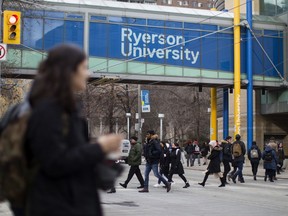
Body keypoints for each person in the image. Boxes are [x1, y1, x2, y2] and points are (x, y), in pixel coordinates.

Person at [24, 44, 121, 216]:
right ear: (68, 71)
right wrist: (99, 148)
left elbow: (78, 165)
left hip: (72, 204)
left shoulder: (68, 111)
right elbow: (54, 163)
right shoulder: (47, 111)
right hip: (57, 207)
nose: (88, 74)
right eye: (84, 68)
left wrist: (106, 156)